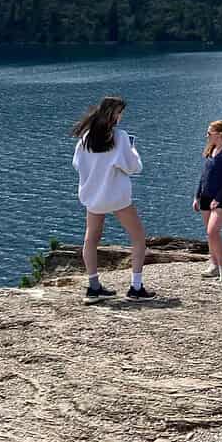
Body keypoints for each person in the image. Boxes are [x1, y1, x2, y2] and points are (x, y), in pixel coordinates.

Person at [71, 96, 156, 303]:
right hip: (117, 198)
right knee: (138, 238)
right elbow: (133, 167)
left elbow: (77, 164)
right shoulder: (120, 137)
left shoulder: (85, 138)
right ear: (113, 114)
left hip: (93, 197)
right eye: (120, 113)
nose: (121, 117)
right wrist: (133, 150)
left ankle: (93, 287)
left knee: (91, 240)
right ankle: (136, 287)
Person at [194, 119, 222, 283]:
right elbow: (203, 176)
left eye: (209, 132)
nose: (207, 135)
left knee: (213, 231)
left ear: (219, 134)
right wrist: (196, 196)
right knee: (209, 233)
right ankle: (213, 265)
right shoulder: (211, 150)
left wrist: (218, 199)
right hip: (205, 197)